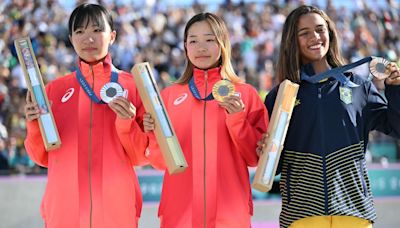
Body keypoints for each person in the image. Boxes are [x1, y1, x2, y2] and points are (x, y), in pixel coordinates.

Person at [257, 5, 400, 228]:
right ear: (292, 41)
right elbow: (273, 167)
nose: (314, 37)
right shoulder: (281, 95)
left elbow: (396, 127)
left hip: (354, 213)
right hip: (302, 216)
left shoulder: (357, 85)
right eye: (304, 33)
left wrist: (395, 90)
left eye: (319, 29)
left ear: (330, 33)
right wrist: (264, 151)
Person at [24, 3, 148, 228]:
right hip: (64, 211)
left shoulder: (133, 86)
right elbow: (41, 157)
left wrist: (127, 123)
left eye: (96, 30)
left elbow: (142, 155)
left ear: (112, 36)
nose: (87, 38)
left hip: (116, 209)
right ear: (71, 39)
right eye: (80, 32)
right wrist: (34, 125)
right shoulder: (54, 90)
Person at [143, 12, 269, 228]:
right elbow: (159, 161)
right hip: (180, 215)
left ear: (223, 44)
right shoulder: (169, 97)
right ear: (185, 47)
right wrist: (152, 134)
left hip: (229, 215)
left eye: (210, 39)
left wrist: (237, 120)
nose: (201, 47)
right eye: (193, 41)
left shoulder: (245, 94)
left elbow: (254, 158)